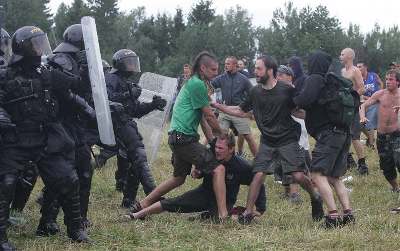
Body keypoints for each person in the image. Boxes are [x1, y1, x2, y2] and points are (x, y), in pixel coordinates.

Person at [0, 26, 91, 250]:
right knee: (6, 183)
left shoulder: (46, 73)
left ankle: (75, 228)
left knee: (68, 178)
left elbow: (72, 88)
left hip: (45, 138)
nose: (40, 49)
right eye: (35, 44)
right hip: (16, 139)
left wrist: (87, 70)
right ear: (23, 47)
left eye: (41, 43)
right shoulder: (5, 76)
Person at [212, 55, 323, 224]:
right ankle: (248, 213)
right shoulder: (255, 91)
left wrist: (318, 117)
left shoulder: (286, 90)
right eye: (255, 68)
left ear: (270, 71)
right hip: (268, 141)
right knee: (258, 174)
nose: (255, 71)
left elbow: (298, 110)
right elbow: (241, 111)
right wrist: (219, 106)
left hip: (287, 139)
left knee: (299, 176)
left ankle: (315, 197)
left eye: (258, 68)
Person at [131, 51, 229, 220]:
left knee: (178, 178)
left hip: (177, 137)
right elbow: (210, 116)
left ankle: (143, 204)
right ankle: (223, 214)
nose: (216, 73)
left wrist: (213, 140)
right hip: (184, 139)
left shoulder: (195, 83)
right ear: (203, 68)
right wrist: (222, 134)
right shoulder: (197, 84)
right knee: (218, 168)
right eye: (213, 69)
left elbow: (202, 120)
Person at [126, 132, 266, 220]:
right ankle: (137, 215)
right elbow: (199, 172)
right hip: (203, 193)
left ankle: (213, 215)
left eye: (221, 148)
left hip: (225, 201)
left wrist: (260, 209)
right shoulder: (210, 158)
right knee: (173, 203)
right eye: (216, 147)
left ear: (231, 149)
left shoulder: (241, 166)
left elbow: (258, 182)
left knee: (217, 219)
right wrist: (197, 172)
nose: (216, 151)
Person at [38, 24, 96, 231]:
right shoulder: (62, 59)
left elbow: (86, 89)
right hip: (61, 124)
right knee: (63, 174)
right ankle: (47, 221)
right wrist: (84, 105)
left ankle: (78, 218)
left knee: (83, 170)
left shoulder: (76, 60)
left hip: (74, 124)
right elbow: (65, 90)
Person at [294, 50, 355, 228]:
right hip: (342, 132)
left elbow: (304, 100)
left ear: (313, 63)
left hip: (328, 134)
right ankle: (348, 214)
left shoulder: (315, 78)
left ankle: (333, 217)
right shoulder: (331, 80)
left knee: (317, 174)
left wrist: (293, 98)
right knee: (334, 177)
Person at [105, 49, 164, 208]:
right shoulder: (111, 78)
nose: (132, 66)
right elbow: (106, 100)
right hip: (114, 124)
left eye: (133, 62)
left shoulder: (127, 83)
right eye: (128, 62)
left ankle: (128, 200)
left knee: (134, 161)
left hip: (125, 123)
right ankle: (153, 196)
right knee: (139, 156)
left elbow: (134, 110)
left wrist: (153, 105)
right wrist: (128, 94)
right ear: (120, 64)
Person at [275, 65, 312, 203]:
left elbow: (300, 111)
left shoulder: (292, 91)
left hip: (296, 131)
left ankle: (295, 195)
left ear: (289, 76)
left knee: (295, 162)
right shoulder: (279, 90)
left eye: (280, 75)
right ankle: (288, 192)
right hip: (283, 132)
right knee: (283, 162)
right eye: (276, 75)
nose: (277, 77)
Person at [360, 70, 400, 194]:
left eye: (391, 79)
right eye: (386, 79)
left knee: (399, 161)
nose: (387, 82)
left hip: (397, 135)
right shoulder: (380, 94)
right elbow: (363, 106)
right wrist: (362, 116)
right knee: (386, 167)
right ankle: (395, 188)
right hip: (382, 136)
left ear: (398, 82)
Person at [212, 56, 258, 157]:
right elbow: (210, 85)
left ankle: (259, 161)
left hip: (239, 112)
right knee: (220, 135)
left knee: (248, 137)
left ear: (235, 65)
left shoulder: (243, 79)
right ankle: (219, 158)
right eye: (225, 64)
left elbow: (253, 93)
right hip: (225, 110)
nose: (225, 66)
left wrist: (249, 109)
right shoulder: (221, 78)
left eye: (228, 64)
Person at [340, 48, 368, 175]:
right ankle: (349, 160)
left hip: (354, 106)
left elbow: (362, 89)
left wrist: (351, 97)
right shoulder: (341, 71)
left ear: (350, 56)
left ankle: (362, 165)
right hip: (343, 107)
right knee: (343, 134)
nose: (340, 56)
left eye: (342, 54)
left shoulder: (355, 71)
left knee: (354, 136)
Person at [357, 61, 384, 148]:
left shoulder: (373, 75)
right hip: (365, 101)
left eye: (360, 66)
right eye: (357, 67)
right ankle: (369, 138)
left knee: (370, 121)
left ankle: (371, 144)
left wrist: (380, 92)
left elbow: (381, 83)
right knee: (360, 123)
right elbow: (359, 92)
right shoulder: (358, 79)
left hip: (375, 102)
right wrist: (367, 98)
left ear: (365, 67)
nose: (358, 69)